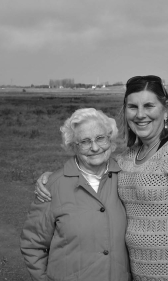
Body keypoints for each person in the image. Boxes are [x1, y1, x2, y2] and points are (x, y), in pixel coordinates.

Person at [35, 75, 168, 281]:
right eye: (133, 107)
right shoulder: (126, 159)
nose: (140, 114)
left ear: (166, 109)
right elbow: (90, 170)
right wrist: (50, 178)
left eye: (149, 106)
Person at [20, 108, 132, 281]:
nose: (95, 147)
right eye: (85, 141)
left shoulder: (126, 177)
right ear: (73, 146)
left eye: (100, 138)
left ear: (110, 140)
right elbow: (33, 243)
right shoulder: (53, 186)